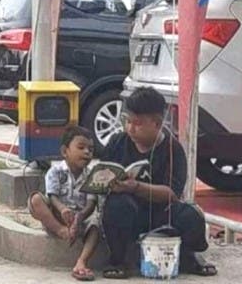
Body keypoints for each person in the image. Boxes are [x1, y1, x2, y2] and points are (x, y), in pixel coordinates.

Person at [99, 87, 217, 279]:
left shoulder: (173, 149)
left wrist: (136, 187)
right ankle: (118, 259)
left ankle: (187, 255)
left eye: (137, 124)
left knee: (190, 214)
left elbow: (172, 192)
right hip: (128, 210)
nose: (130, 128)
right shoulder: (117, 142)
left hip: (161, 212)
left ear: (157, 123)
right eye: (127, 121)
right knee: (117, 206)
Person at [27, 126, 101, 281]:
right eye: (81, 147)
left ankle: (82, 261)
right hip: (58, 217)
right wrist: (62, 210)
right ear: (64, 151)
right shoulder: (55, 171)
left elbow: (91, 202)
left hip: (81, 219)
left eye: (91, 149)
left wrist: (80, 217)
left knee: (96, 223)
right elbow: (52, 196)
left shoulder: (92, 175)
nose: (87, 152)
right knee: (35, 200)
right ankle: (62, 231)